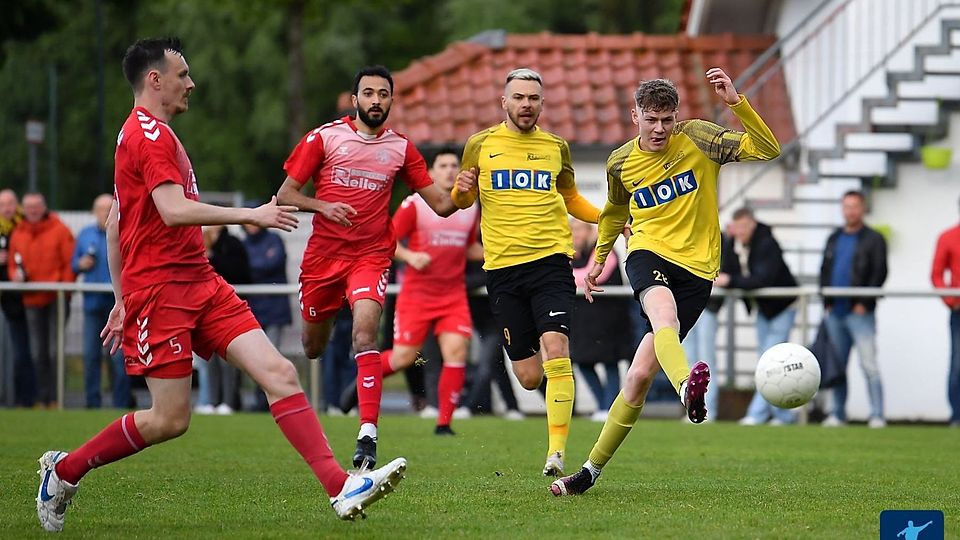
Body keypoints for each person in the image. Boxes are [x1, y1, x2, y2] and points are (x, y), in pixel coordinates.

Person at [35, 38, 406, 532]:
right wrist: (250, 214)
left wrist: (119, 298)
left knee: (279, 373)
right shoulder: (148, 135)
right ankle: (64, 471)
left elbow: (117, 222)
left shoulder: (158, 133)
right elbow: (171, 211)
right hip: (162, 291)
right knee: (170, 420)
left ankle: (340, 487)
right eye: (183, 74)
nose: (191, 83)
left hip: (201, 282)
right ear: (155, 79)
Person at [550, 68, 781, 496]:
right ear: (633, 115)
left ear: (676, 118)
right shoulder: (620, 161)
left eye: (667, 119)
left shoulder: (698, 137)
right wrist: (600, 258)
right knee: (664, 317)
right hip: (647, 250)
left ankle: (588, 472)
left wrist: (736, 103)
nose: (660, 128)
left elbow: (767, 148)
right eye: (651, 118)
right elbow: (616, 213)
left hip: (698, 268)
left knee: (637, 376)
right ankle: (685, 386)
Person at [277, 65, 459, 469]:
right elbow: (286, 193)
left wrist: (471, 184)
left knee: (365, 334)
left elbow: (444, 206)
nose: (376, 100)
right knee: (313, 346)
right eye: (369, 93)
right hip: (323, 259)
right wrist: (324, 205)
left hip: (371, 256)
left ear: (392, 100)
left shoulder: (401, 148)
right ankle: (352, 384)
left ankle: (367, 435)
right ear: (354, 99)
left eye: (383, 94)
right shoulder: (324, 137)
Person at [451, 68, 601, 476]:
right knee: (530, 375)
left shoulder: (556, 146)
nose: (526, 104)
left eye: (533, 98)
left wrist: (606, 217)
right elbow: (462, 201)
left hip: (551, 263)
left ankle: (556, 452)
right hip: (502, 271)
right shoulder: (480, 144)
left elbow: (571, 198)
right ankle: (547, 407)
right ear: (504, 102)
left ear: (541, 102)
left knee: (557, 349)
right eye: (518, 97)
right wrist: (462, 187)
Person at [364, 147, 481, 435]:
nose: (450, 170)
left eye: (455, 165)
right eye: (443, 165)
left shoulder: (470, 207)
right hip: (416, 295)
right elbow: (388, 241)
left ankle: (444, 423)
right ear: (430, 173)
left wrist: (499, 253)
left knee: (456, 351)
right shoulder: (414, 205)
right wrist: (411, 257)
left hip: (452, 295)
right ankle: (360, 379)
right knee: (404, 357)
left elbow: (468, 248)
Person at [715, 208, 799, 425]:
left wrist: (731, 281)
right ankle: (784, 416)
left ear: (752, 224)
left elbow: (761, 279)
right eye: (737, 227)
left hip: (783, 307)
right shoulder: (734, 244)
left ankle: (757, 414)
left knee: (770, 362)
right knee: (768, 362)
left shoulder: (767, 243)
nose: (740, 231)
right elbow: (728, 271)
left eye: (744, 227)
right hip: (763, 309)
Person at [819, 190, 888, 428]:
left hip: (860, 313)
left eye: (855, 206)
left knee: (869, 365)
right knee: (837, 366)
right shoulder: (834, 238)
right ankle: (838, 414)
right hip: (835, 313)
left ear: (863, 208)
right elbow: (824, 271)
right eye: (846, 206)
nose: (850, 211)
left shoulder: (874, 239)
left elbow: (880, 272)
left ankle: (877, 414)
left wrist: (863, 303)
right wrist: (826, 301)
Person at [8, 192, 76, 408]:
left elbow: (69, 263)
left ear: (44, 206)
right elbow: (12, 264)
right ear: (24, 209)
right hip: (31, 299)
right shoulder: (18, 232)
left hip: (55, 298)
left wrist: (64, 291)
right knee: (37, 352)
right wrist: (15, 277)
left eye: (37, 206)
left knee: (55, 351)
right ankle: (42, 397)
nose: (33, 211)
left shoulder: (60, 229)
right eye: (29, 207)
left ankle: (57, 398)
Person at [73, 194, 131, 409]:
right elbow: (73, 265)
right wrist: (81, 264)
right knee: (90, 355)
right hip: (93, 304)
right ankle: (92, 404)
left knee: (119, 359)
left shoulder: (125, 232)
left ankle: (121, 405)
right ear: (93, 211)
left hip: (120, 304)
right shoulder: (85, 235)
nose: (105, 212)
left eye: (109, 208)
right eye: (101, 208)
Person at [569, 218, 629, 422]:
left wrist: (562, 274)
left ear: (589, 231)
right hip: (582, 321)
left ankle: (609, 407)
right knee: (582, 362)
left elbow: (591, 276)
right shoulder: (573, 255)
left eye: (578, 230)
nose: (575, 235)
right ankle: (602, 404)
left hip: (608, 319)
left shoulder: (605, 251)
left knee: (609, 363)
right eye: (572, 231)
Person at [242, 217, 294, 412]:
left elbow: (273, 263)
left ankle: (275, 400)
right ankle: (260, 400)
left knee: (272, 359)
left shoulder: (274, 239)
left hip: (274, 310)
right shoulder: (245, 243)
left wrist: (252, 266)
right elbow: (257, 266)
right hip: (252, 310)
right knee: (256, 360)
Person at [0, 189, 35, 407]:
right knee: (16, 353)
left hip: (27, 298)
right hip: (8, 300)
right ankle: (19, 399)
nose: (7, 207)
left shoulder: (26, 225)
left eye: (11, 202)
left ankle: (31, 400)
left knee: (32, 353)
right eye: (3, 204)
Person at [931, 199, 960, 427]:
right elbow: (937, 274)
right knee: (958, 363)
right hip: (959, 312)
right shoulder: (948, 237)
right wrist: (951, 299)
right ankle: (957, 417)